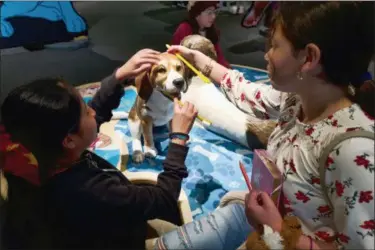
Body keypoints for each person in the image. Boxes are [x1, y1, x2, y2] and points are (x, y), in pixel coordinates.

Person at [168, 2, 374, 249]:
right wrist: (201, 60)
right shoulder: (297, 98)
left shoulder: (351, 151)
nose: (267, 54)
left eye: (274, 45)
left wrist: (278, 229)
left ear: (309, 57)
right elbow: (246, 92)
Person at [0, 49, 198, 249]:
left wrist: (119, 76)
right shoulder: (91, 190)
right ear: (68, 140)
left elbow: (89, 122)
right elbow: (164, 199)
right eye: (86, 111)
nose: (93, 111)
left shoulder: (35, 154)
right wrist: (179, 139)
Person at [171, 1, 230, 68]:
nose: (213, 16)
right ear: (197, 14)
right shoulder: (184, 29)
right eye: (209, 13)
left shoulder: (211, 30)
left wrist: (228, 71)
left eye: (214, 12)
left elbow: (219, 57)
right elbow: (175, 56)